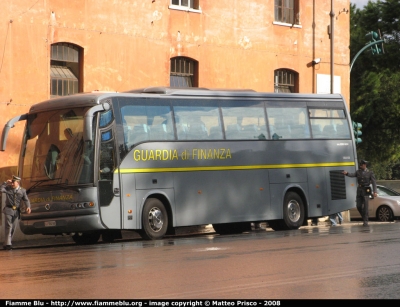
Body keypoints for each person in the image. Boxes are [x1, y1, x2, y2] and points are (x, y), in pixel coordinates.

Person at [343, 160, 377, 226]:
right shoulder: (358, 172)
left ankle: (365, 220)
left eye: (361, 165)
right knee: (358, 206)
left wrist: (375, 191)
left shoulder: (370, 172)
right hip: (359, 190)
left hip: (366, 190)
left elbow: (374, 182)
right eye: (360, 165)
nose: (360, 166)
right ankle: (364, 217)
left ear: (365, 165)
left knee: (366, 206)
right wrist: (346, 173)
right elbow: (352, 174)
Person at [1, 175, 31, 250]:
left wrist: (28, 207)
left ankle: (6, 242)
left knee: (13, 227)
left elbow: (26, 199)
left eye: (13, 182)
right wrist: (5, 182)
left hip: (16, 211)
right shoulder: (8, 188)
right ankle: (8, 244)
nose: (12, 184)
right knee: (9, 226)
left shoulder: (22, 191)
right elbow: (1, 189)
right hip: (8, 210)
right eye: (12, 182)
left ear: (18, 182)